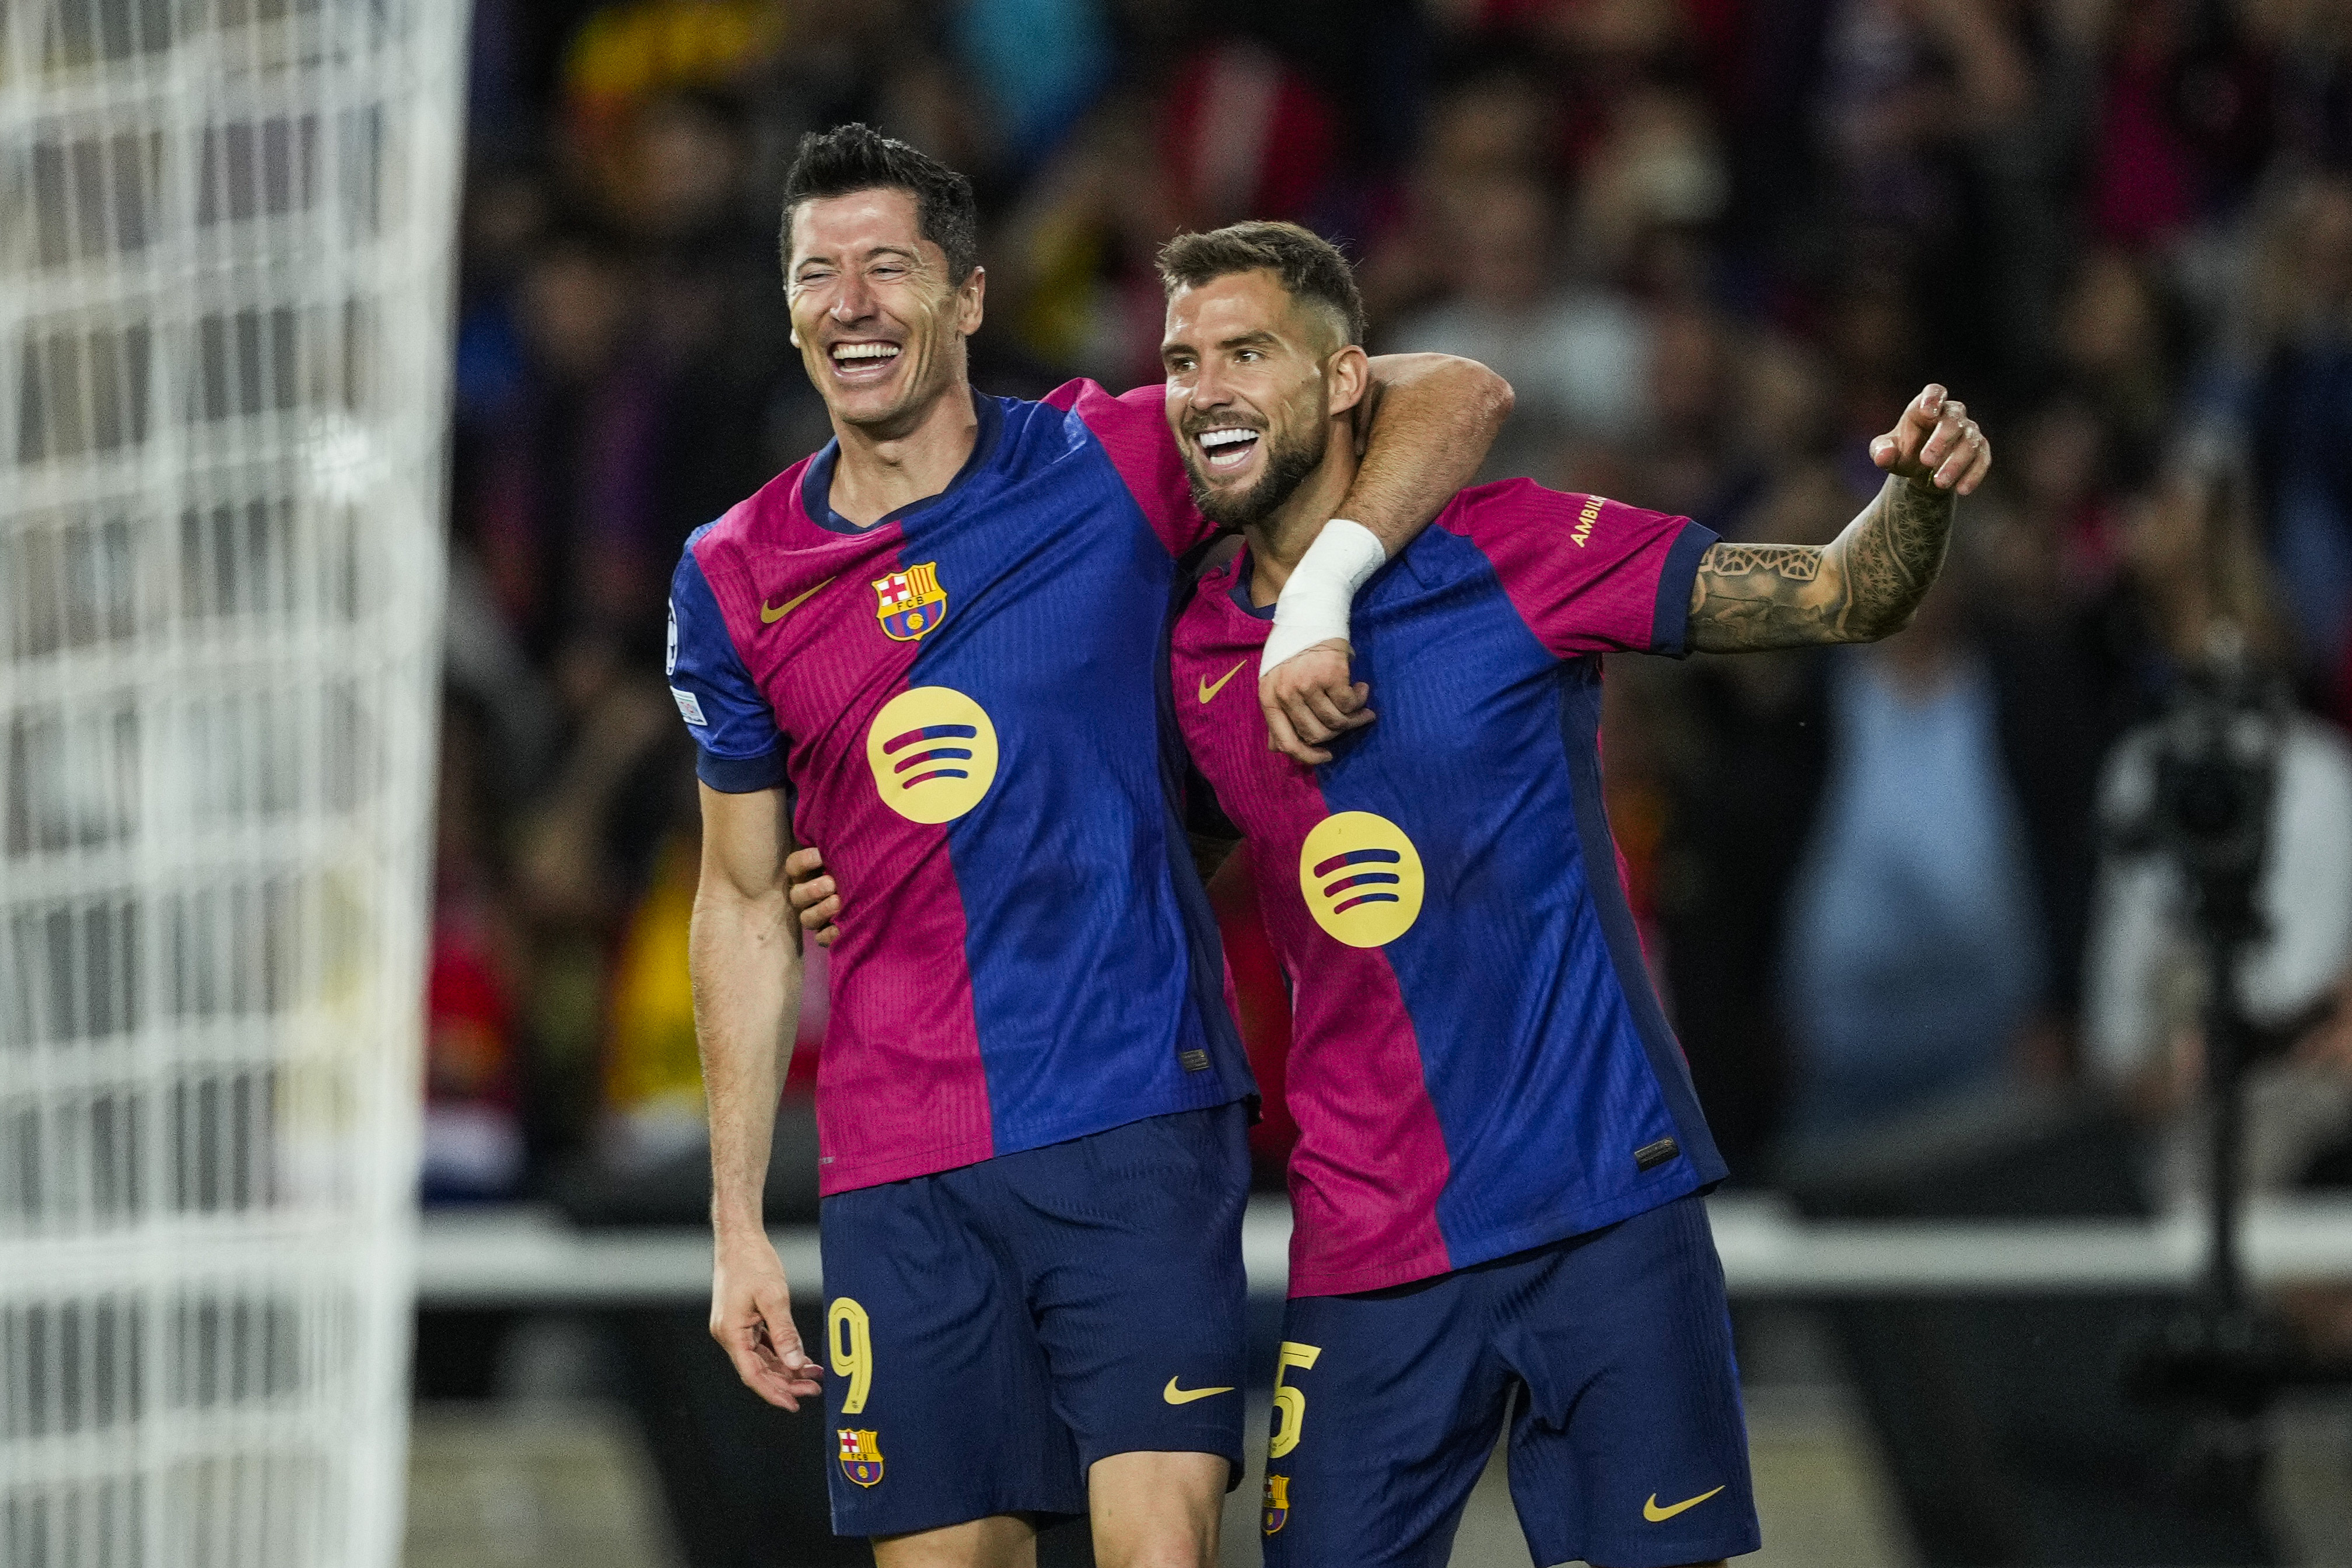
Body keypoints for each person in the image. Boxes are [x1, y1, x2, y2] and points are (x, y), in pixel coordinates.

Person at [796, 219, 1990, 1568]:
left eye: (1248, 351)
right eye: (1183, 360)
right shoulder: (1187, 652)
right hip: (1365, 1246)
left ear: (1345, 379)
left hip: (1600, 1197)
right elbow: (1097, 868)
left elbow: (1836, 591)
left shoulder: (1521, 549)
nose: (1204, 389)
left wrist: (1918, 501)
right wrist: (861, 878)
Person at [664, 126, 1510, 1568]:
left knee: (1159, 1549)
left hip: (1129, 1113)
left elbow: (1449, 388)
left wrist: (1328, 594)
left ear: (972, 296)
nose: (852, 303)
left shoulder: (1107, 458)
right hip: (894, 1164)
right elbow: (744, 900)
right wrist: (738, 1220)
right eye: (819, 273)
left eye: (889, 267)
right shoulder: (731, 573)